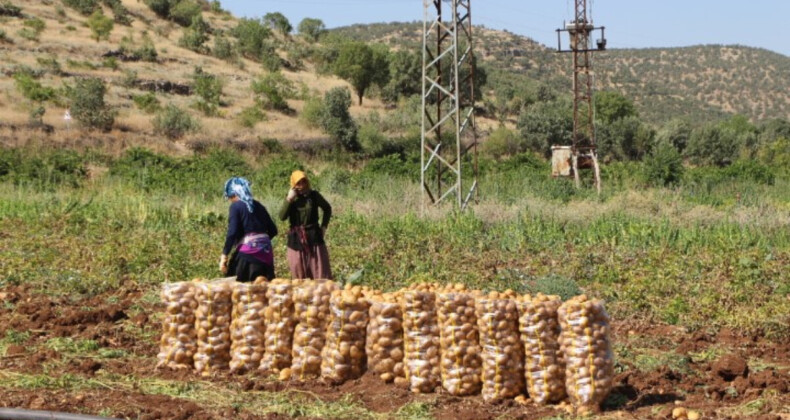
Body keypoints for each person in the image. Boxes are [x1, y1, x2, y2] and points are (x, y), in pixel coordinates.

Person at [220, 177, 278, 282]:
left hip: (248, 255)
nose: (230, 199)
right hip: (266, 254)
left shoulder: (236, 206)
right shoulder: (259, 206)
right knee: (263, 289)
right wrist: (260, 242)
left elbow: (232, 233)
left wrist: (224, 255)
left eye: (230, 197)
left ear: (233, 194)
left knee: (237, 288)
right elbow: (273, 230)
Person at [279, 170, 333, 279]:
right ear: (293, 184)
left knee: (318, 269)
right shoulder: (291, 198)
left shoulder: (314, 195)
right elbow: (282, 217)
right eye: (298, 183)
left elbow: (327, 208)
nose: (302, 185)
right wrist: (289, 199)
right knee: (299, 271)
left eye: (304, 182)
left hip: (314, 236)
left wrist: (324, 227)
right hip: (296, 238)